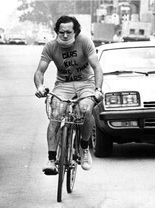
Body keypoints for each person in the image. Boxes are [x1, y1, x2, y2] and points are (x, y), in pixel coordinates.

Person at [34, 15, 104, 175]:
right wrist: (39, 86)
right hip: (63, 85)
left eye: (69, 32)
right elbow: (40, 71)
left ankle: (84, 148)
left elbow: (97, 67)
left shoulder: (85, 42)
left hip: (86, 83)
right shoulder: (51, 46)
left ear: (76, 32)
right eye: (61, 32)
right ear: (56, 32)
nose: (65, 35)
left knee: (86, 110)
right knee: (56, 115)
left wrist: (97, 89)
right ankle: (51, 159)